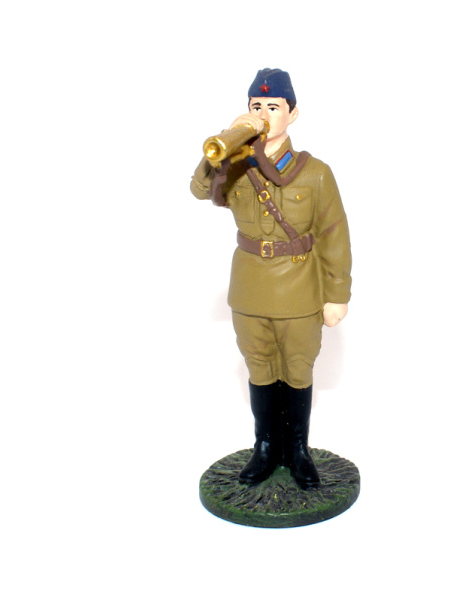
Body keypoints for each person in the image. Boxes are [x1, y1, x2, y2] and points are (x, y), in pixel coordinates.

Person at [190, 68, 352, 489]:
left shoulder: (315, 173)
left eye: (273, 107)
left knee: (298, 368)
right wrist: (225, 141)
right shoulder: (236, 166)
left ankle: (297, 450)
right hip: (250, 290)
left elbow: (334, 234)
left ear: (292, 114)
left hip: (300, 290)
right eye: (256, 106)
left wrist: (337, 295)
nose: (263, 114)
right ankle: (265, 447)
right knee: (259, 367)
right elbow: (200, 189)